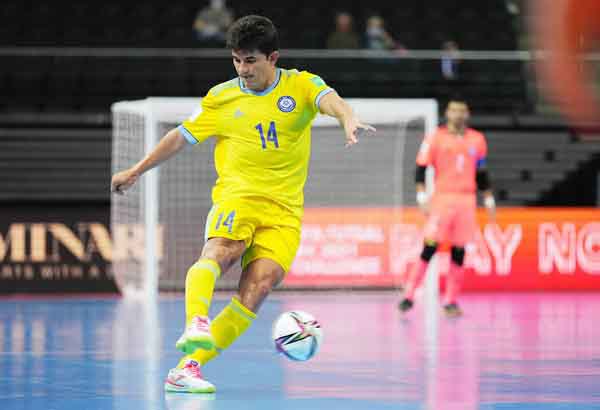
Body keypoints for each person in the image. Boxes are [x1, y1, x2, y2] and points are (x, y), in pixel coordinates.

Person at [111, 15, 375, 393]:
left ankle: (186, 370)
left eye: (250, 60)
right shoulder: (222, 97)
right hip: (238, 196)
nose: (242, 69)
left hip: (283, 212)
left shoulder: (300, 85)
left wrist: (347, 118)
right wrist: (137, 170)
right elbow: (180, 137)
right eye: (236, 60)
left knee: (259, 286)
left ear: (273, 58)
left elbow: (329, 100)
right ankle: (196, 321)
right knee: (223, 251)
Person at [398, 99, 495, 317]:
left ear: (467, 114)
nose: (458, 114)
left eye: (462, 110)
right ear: (448, 113)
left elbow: (481, 172)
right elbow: (420, 168)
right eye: (454, 110)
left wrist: (489, 199)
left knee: (459, 250)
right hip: (443, 199)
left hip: (467, 201)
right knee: (430, 246)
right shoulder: (435, 138)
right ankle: (409, 295)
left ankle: (451, 301)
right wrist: (421, 195)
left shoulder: (477, 140)